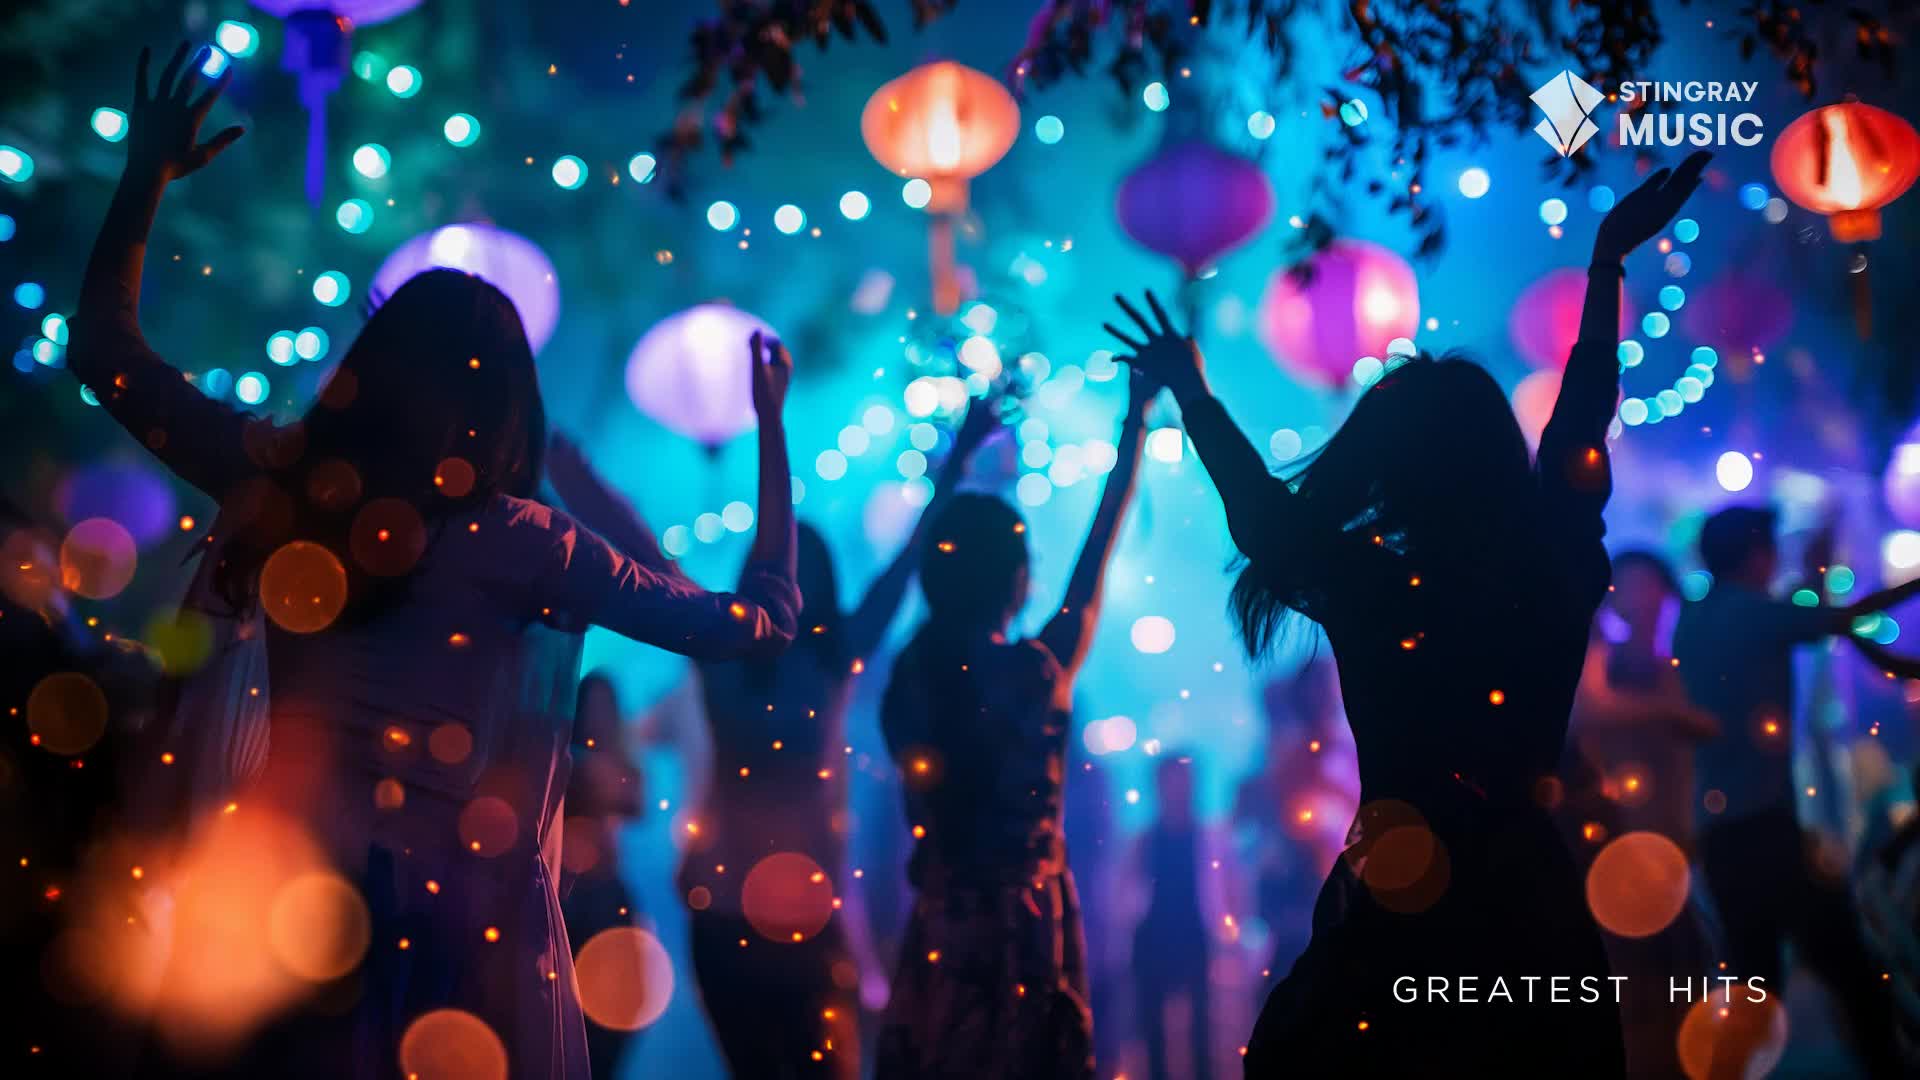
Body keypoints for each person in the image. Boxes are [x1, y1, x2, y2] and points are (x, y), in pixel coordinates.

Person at [66, 46, 799, 1078]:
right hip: (462, 937)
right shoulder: (525, 543)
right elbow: (757, 626)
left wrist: (144, 178)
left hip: (289, 913)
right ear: (506, 403)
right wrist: (771, 430)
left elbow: (105, 356)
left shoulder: (287, 482)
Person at [1114, 150, 1714, 1076]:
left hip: (1401, 907)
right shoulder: (1546, 567)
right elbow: (1580, 426)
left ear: (1388, 472)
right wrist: (1605, 265)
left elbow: (1267, 517)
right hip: (1528, 908)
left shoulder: (1373, 586)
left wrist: (1192, 394)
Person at [547, 398, 1004, 1079]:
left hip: (765, 917)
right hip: (748, 917)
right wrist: (576, 478)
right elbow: (646, 549)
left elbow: (906, 560)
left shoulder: (780, 654)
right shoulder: (778, 652)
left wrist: (572, 472)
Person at [872, 367, 1154, 1079]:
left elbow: (909, 565)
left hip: (941, 928)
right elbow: (1097, 550)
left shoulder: (913, 676)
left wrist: (953, 469)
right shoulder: (1038, 675)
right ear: (1018, 579)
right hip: (1028, 934)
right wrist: (1136, 420)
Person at [1673, 506, 1916, 1076]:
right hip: (1765, 830)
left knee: (1754, 981)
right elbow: (1847, 618)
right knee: (1849, 969)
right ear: (1757, 554)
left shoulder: (1698, 617)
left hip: (1722, 833)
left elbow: (1799, 618)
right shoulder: (1754, 613)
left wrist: (1814, 574)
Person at [557, 672, 647, 1080]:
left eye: (605, 708)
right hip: (569, 896)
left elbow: (635, 802)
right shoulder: (562, 757)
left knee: (615, 1010)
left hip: (605, 895)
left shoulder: (617, 763)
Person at [1133, 757, 1214, 1080]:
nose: (1176, 789)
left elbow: (1226, 892)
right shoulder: (1144, 840)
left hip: (1194, 937)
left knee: (1201, 1034)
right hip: (1152, 940)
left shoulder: (1208, 838)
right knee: (1154, 1034)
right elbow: (1127, 893)